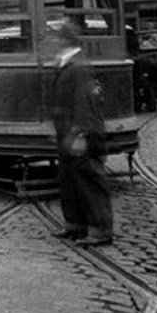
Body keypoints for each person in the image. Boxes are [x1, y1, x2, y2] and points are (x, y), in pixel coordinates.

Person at [49, 19, 114, 246]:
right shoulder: (66, 63)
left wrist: (80, 132)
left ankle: (100, 229)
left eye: (56, 37)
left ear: (66, 40)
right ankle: (75, 224)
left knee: (88, 178)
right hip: (67, 132)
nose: (53, 41)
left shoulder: (78, 66)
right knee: (69, 179)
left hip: (79, 132)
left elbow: (83, 102)